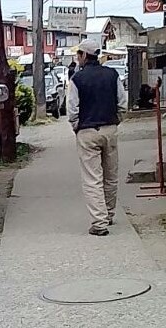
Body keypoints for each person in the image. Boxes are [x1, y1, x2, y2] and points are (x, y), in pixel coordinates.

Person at [67, 39, 127, 236]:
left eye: (79, 55)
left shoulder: (77, 79)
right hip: (110, 129)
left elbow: (72, 110)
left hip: (87, 131)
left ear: (84, 55)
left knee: (92, 178)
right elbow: (122, 102)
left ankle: (99, 223)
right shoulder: (112, 75)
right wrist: (116, 120)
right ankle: (109, 214)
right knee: (110, 175)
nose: (77, 58)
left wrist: (77, 128)